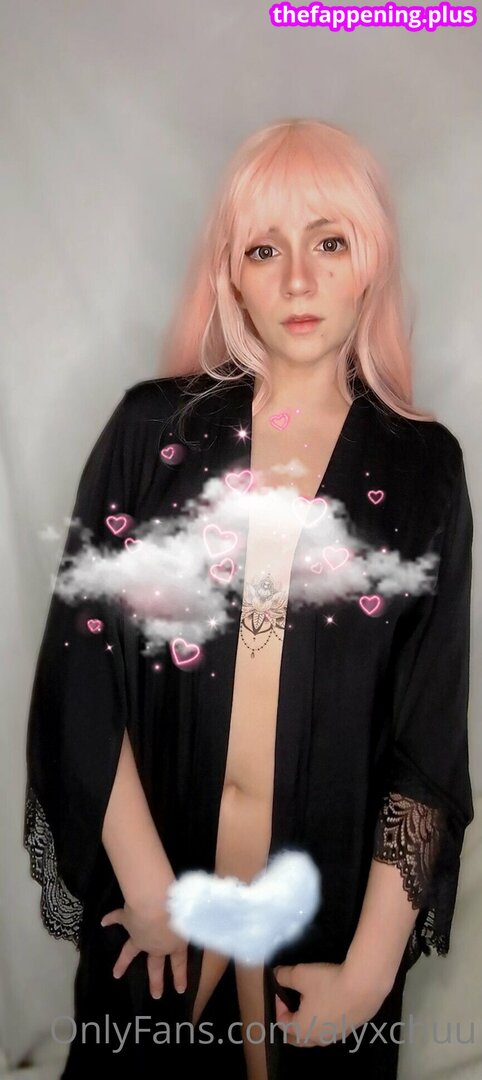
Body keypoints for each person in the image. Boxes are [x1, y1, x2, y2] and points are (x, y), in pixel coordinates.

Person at [24, 118, 474, 1079]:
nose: (299, 281)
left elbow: (427, 749)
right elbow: (80, 673)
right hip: (161, 920)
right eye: (266, 250)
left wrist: (368, 974)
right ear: (231, 273)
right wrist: (149, 889)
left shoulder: (424, 472)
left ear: (371, 261)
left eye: (330, 242)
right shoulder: (152, 434)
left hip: (326, 929)